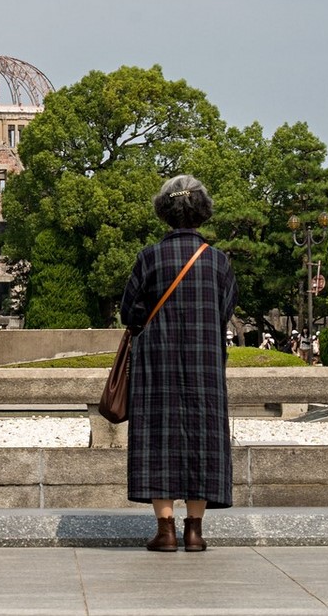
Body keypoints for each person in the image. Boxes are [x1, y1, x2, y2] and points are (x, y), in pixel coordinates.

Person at [121, 174, 238, 553]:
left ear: (164, 212)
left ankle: (165, 529)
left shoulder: (149, 257)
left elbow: (130, 313)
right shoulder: (218, 261)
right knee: (204, 440)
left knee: (158, 439)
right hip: (205, 363)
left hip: (156, 364)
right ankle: (195, 531)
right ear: (202, 212)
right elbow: (225, 311)